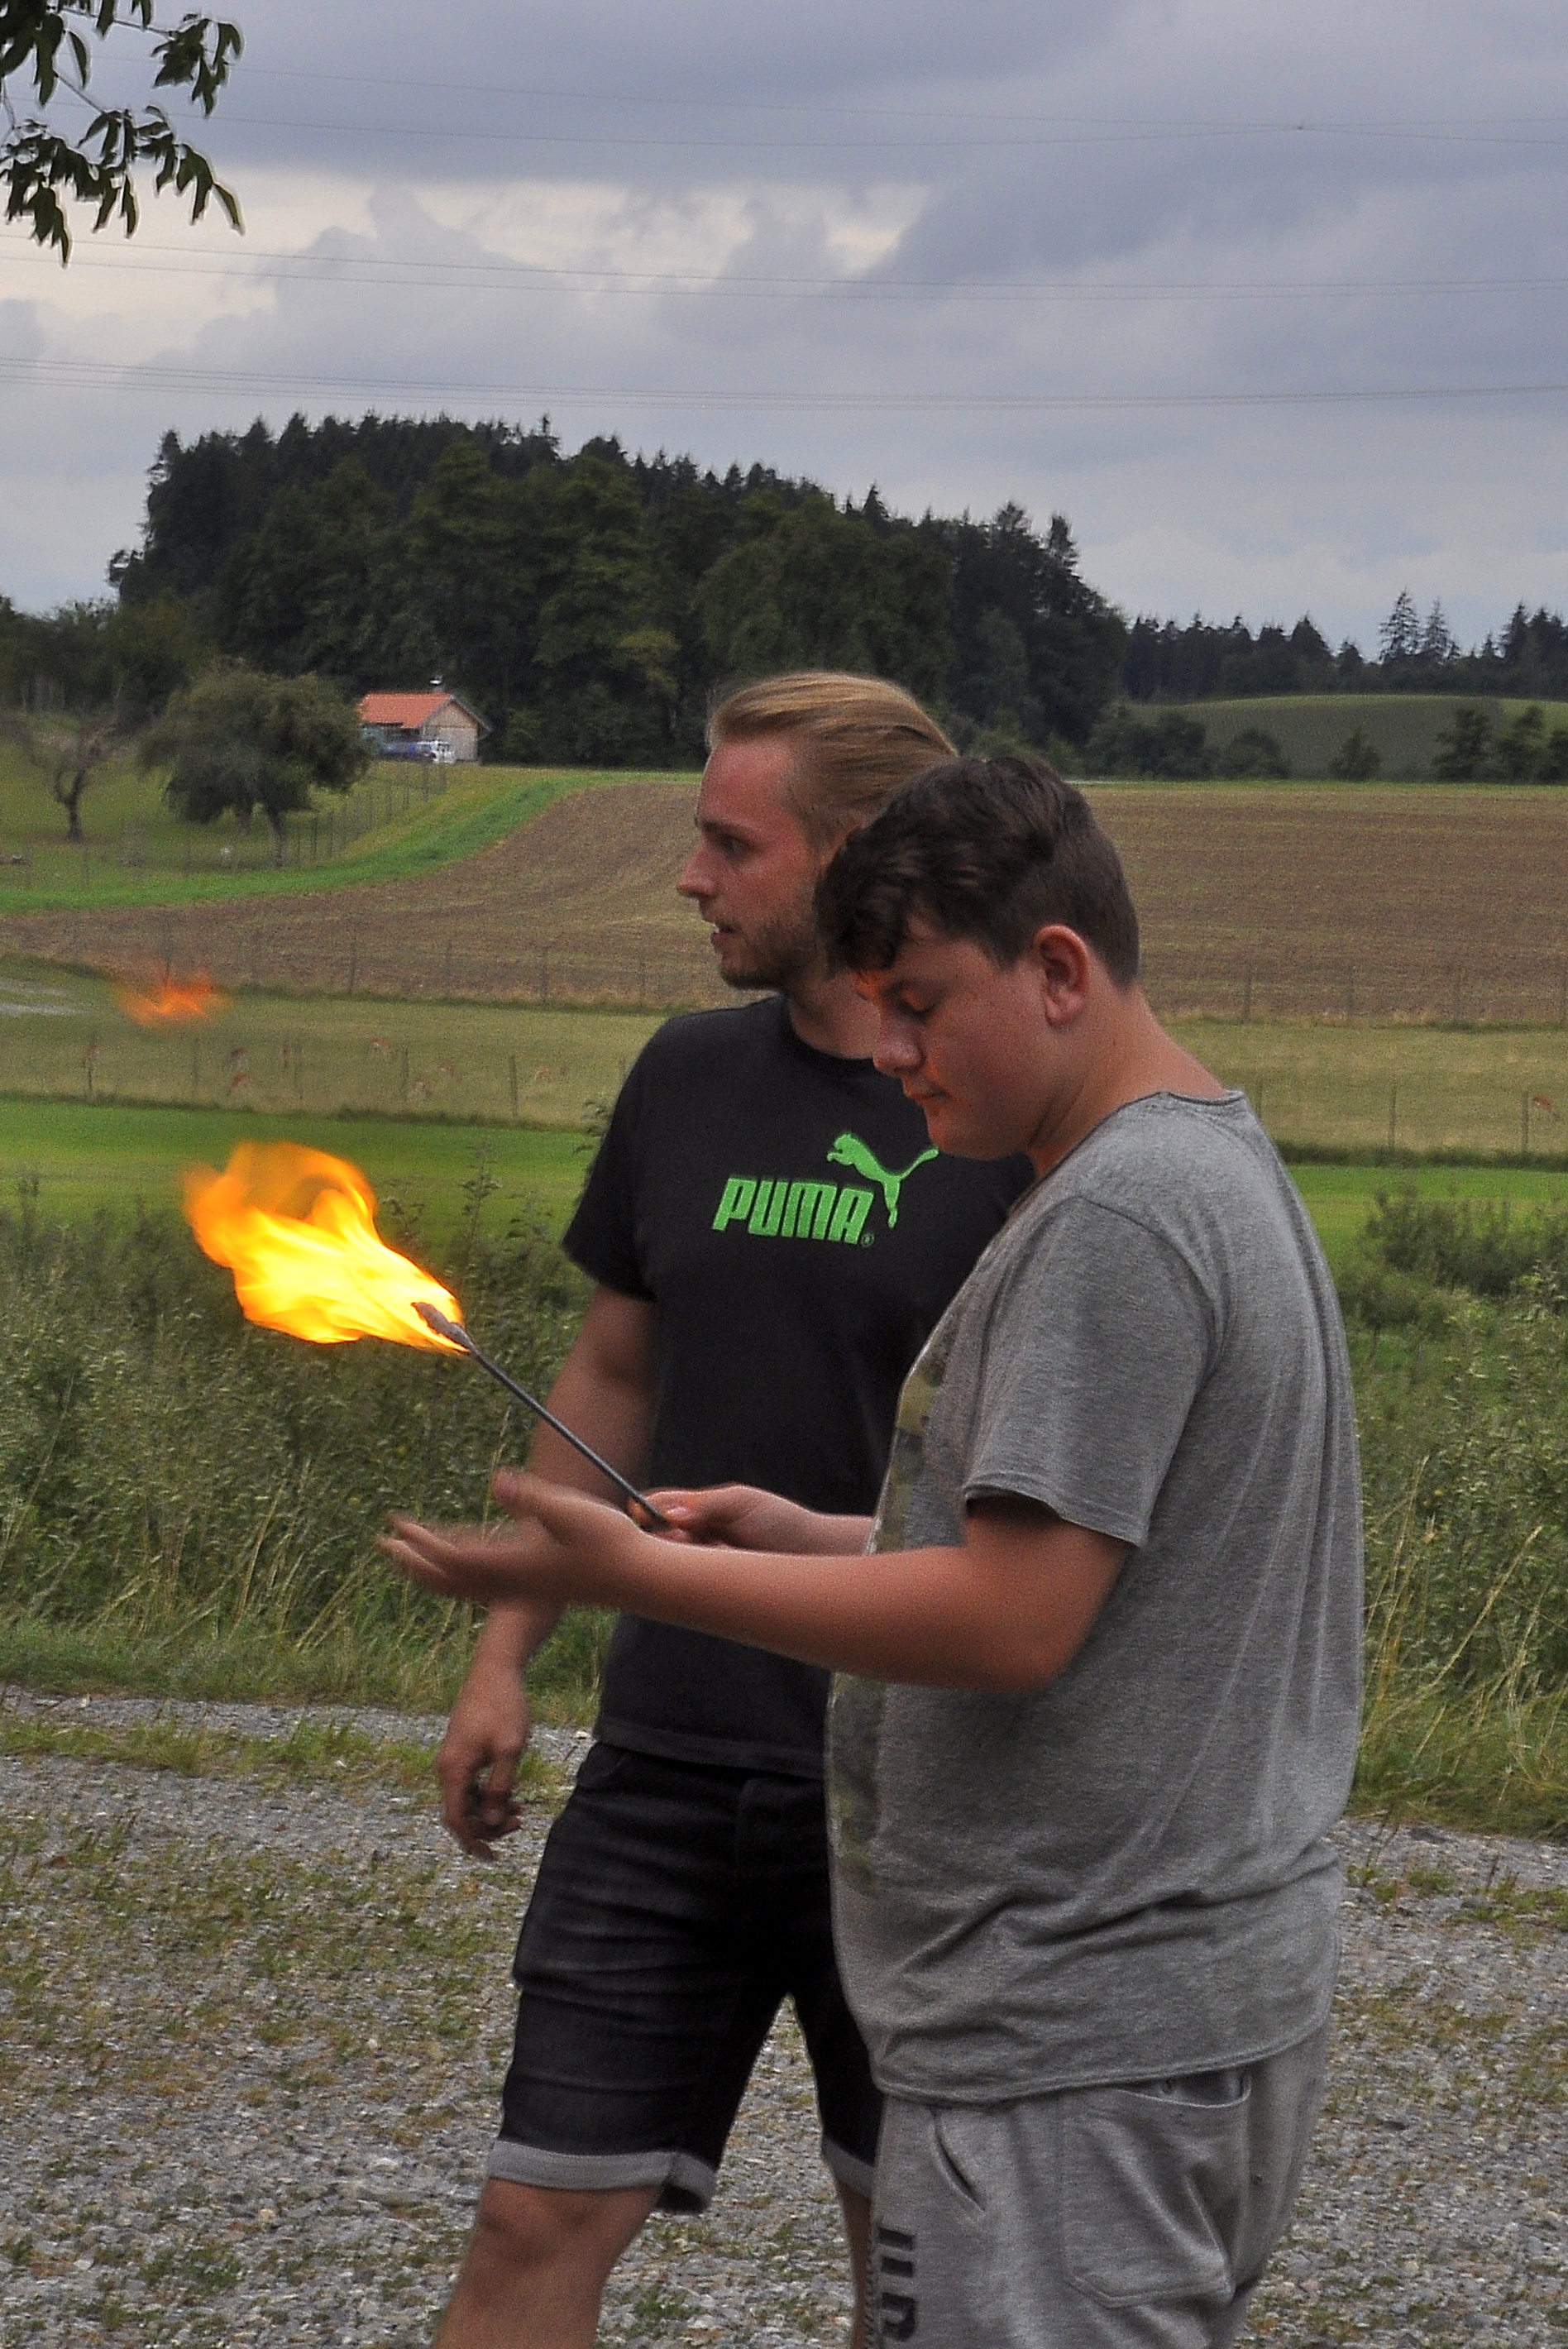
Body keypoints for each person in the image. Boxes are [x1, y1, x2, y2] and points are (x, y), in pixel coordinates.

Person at [387, 754, 1364, 2349]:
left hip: (1076, 2025)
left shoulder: (1114, 1219)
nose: (891, 1051)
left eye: (919, 1004)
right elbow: (1097, 1562)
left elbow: (1015, 1620)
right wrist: (818, 1537)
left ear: (1058, 971)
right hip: (1178, 2004)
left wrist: (631, 1575)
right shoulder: (1205, 1163)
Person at [423, 682, 1032, 2347]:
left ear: (857, 853)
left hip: (918, 1790)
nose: (691, 877)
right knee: (530, 2216)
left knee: (909, 2264)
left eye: (728, 841)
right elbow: (614, 1367)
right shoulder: (685, 1078)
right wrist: (503, 1657)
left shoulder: (1000, 1120)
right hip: (668, 1762)